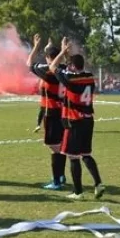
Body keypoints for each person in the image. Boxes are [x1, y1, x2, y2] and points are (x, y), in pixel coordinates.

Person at [49, 38, 105, 200]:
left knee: (73, 156)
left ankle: (78, 192)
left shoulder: (71, 79)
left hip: (74, 120)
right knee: (86, 154)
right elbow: (71, 67)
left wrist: (61, 51)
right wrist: (67, 53)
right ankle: (98, 183)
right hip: (88, 120)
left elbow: (53, 67)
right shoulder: (89, 76)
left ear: (72, 67)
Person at [26, 34, 67, 190]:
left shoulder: (49, 72)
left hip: (52, 112)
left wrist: (35, 46)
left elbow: (29, 63)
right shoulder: (65, 69)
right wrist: (60, 50)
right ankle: (61, 176)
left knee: (54, 146)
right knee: (60, 145)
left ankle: (57, 180)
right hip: (63, 111)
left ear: (49, 58)